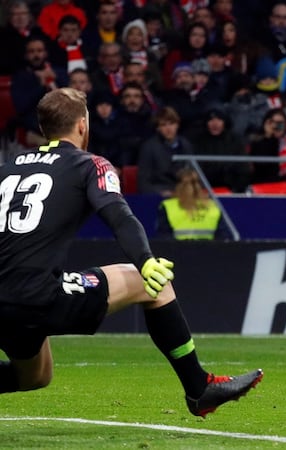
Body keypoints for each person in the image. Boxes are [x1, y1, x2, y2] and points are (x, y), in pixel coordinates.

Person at [0, 88, 262, 417]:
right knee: (152, 283)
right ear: (82, 125)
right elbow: (119, 216)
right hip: (36, 295)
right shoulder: (90, 164)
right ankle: (199, 388)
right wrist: (146, 261)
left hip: (4, 298)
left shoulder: (9, 167)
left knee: (35, 376)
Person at [156, 167, 231, 240]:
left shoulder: (168, 206)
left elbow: (164, 238)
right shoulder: (212, 206)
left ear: (177, 187)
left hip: (178, 251)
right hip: (209, 251)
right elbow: (223, 238)